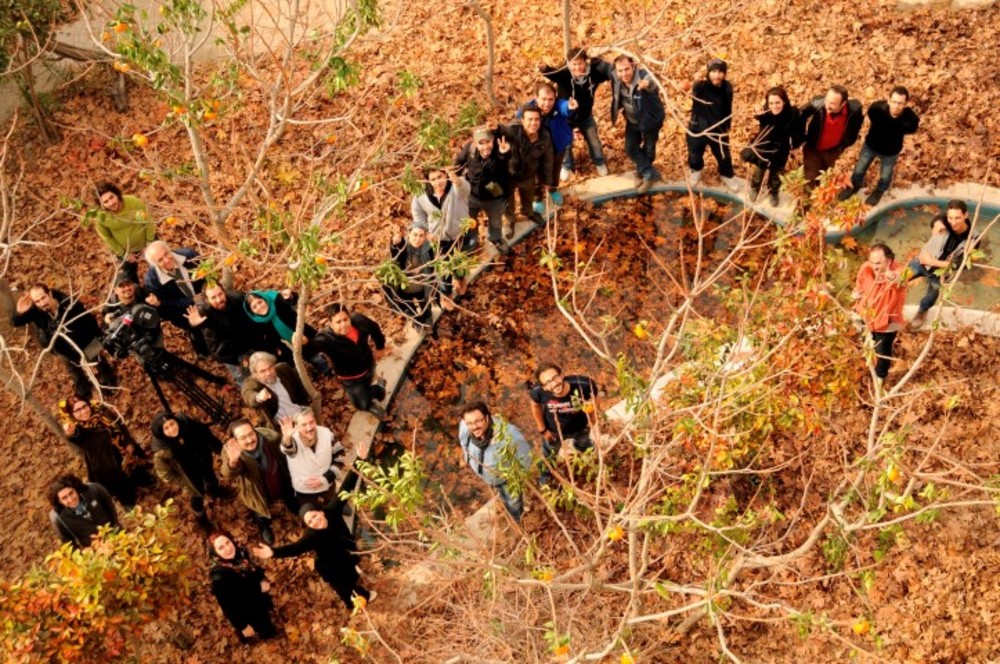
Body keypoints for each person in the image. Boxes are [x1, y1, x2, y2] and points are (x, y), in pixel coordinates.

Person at [254, 502, 372, 611]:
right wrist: (274, 552)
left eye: (314, 516)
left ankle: (354, 579)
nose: (314, 522)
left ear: (321, 512)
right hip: (330, 566)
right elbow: (295, 548)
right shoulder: (311, 536)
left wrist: (357, 477)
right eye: (310, 522)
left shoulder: (331, 511)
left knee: (351, 573)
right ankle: (355, 602)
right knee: (344, 587)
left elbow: (344, 488)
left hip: (342, 553)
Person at [12, 283, 117, 398]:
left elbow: (90, 322)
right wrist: (19, 311)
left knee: (97, 359)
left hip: (84, 339)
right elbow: (15, 323)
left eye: (43, 298)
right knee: (73, 370)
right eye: (37, 301)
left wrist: (99, 341)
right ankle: (84, 391)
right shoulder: (36, 310)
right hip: (60, 347)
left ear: (50, 293)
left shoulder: (70, 304)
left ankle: (109, 380)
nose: (42, 303)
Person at [57, 396, 152, 507]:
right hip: (108, 466)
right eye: (77, 410)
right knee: (125, 493)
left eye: (84, 406)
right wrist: (71, 432)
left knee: (143, 477)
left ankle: (145, 482)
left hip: (127, 453)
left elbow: (121, 426)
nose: (83, 412)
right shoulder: (80, 429)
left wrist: (128, 442)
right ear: (72, 414)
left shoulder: (103, 413)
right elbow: (75, 436)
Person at [539, 46, 613, 179]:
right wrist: (544, 68)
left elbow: (610, 72)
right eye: (574, 64)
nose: (577, 67)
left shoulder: (593, 74)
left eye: (580, 63)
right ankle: (567, 165)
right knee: (566, 144)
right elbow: (552, 73)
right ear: (569, 64)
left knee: (594, 141)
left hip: (585, 117)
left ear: (585, 62)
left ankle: (599, 162)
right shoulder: (565, 75)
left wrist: (599, 61)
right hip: (566, 118)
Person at [839, 86, 920, 206]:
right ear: (889, 100)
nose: (896, 106)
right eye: (894, 102)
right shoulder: (877, 109)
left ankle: (880, 190)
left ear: (906, 104)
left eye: (900, 103)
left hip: (891, 151)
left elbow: (911, 129)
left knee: (885, 174)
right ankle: (854, 185)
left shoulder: (911, 119)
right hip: (871, 146)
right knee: (860, 168)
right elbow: (871, 116)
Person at [221, 419, 296, 544]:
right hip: (257, 491)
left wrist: (287, 439)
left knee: (290, 497)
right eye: (243, 438)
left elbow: (286, 452)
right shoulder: (230, 451)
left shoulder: (270, 437)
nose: (250, 440)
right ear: (236, 440)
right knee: (260, 511)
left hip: (280, 480)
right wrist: (233, 462)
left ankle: (294, 506)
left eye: (251, 434)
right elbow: (227, 473)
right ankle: (264, 525)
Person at [458, 401, 533, 521]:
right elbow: (462, 440)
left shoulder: (509, 434)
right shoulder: (464, 426)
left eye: (478, 421)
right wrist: (467, 456)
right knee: (501, 492)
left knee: (513, 503)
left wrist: (517, 479)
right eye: (470, 423)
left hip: (507, 479)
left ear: (487, 417)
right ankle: (502, 495)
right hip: (487, 476)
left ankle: (517, 518)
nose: (474, 426)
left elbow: (525, 457)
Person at [151, 411, 227, 526]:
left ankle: (215, 491)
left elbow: (207, 436)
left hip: (203, 460)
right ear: (161, 432)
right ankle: (201, 519)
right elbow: (165, 474)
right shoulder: (162, 452)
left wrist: (222, 451)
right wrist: (183, 482)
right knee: (197, 496)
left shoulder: (188, 425)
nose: (171, 429)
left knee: (210, 476)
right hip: (189, 475)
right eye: (166, 428)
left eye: (172, 424)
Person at [312, 303, 388, 416]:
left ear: (349, 317)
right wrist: (304, 342)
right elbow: (314, 346)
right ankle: (377, 390)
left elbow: (374, 328)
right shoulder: (327, 338)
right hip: (351, 378)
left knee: (368, 382)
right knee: (360, 404)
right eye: (338, 322)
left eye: (345, 319)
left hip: (368, 364)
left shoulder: (359, 321)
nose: (344, 325)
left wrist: (380, 346)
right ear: (330, 324)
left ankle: (373, 388)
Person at [908, 201, 973, 330]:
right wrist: (937, 226)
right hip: (922, 261)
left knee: (931, 294)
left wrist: (933, 262)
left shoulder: (971, 238)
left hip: (940, 273)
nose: (953, 222)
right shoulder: (946, 220)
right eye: (951, 218)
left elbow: (960, 265)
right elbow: (937, 222)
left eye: (957, 218)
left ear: (966, 215)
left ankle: (923, 310)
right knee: (898, 278)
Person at [529, 363, 599, 480]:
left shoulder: (584, 385)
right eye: (548, 382)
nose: (554, 383)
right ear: (544, 387)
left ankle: (590, 468)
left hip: (581, 427)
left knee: (585, 446)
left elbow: (595, 398)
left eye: (555, 377)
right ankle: (545, 478)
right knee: (549, 456)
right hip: (554, 431)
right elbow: (535, 405)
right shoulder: (538, 392)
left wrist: (593, 419)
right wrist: (542, 429)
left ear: (562, 375)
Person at [411, 167, 472, 300]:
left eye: (440, 177)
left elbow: (465, 190)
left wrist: (456, 180)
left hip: (459, 234)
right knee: (443, 269)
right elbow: (418, 214)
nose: (438, 182)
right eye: (433, 179)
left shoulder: (456, 186)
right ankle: (446, 294)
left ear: (446, 175)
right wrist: (426, 231)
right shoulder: (421, 195)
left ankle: (460, 280)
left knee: (460, 262)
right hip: (438, 238)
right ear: (428, 181)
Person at [208, 531, 278, 643]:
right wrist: (242, 626)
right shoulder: (220, 577)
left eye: (227, 542)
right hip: (246, 609)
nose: (227, 548)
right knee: (263, 627)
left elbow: (249, 568)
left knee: (265, 613)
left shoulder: (240, 551)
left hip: (257, 597)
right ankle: (265, 637)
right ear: (216, 553)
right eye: (221, 548)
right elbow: (228, 606)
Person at [609, 55, 665, 194]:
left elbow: (653, 82)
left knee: (649, 149)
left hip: (650, 120)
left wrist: (646, 84)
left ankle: (644, 173)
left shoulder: (643, 76)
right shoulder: (616, 79)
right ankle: (649, 173)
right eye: (620, 70)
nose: (624, 74)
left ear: (633, 66)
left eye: (627, 69)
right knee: (630, 148)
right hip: (632, 121)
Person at [853, 244, 906, 385]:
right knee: (868, 344)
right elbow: (859, 286)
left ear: (888, 261)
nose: (875, 267)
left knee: (882, 351)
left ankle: (880, 379)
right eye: (872, 262)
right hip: (866, 317)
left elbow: (901, 281)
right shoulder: (866, 268)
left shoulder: (898, 272)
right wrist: (856, 294)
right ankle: (870, 366)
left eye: (878, 263)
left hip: (886, 322)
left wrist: (893, 278)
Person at [184, 284, 259, 385]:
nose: (219, 299)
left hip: (246, 344)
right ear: (207, 299)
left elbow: (251, 301)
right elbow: (199, 317)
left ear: (224, 292)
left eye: (220, 294)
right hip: (228, 353)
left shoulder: (235, 299)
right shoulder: (205, 310)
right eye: (213, 297)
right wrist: (193, 323)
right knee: (244, 379)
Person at [454, 126, 512, 254]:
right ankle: (472, 239)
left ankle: (495, 238)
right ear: (475, 143)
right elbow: (458, 164)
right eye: (481, 143)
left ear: (492, 140)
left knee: (496, 220)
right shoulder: (469, 149)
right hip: (473, 194)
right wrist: (456, 180)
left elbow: (505, 160)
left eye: (488, 142)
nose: (486, 147)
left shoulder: (500, 150)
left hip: (494, 194)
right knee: (470, 220)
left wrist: (505, 153)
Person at [740, 86, 802, 207]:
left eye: (777, 102)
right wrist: (757, 111)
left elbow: (797, 132)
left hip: (781, 148)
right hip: (764, 146)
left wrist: (795, 147)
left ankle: (773, 192)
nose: (774, 106)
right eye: (771, 103)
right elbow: (759, 116)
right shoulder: (766, 113)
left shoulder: (792, 114)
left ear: (784, 101)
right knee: (759, 170)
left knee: (776, 172)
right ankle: (755, 188)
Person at [244, 289, 328, 374]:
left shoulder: (277, 302)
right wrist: (275, 349)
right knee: (293, 364)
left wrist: (291, 296)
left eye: (260, 302)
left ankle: (326, 370)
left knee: (313, 356)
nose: (259, 307)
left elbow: (293, 301)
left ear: (265, 299)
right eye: (254, 307)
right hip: (285, 346)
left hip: (301, 335)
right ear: (252, 312)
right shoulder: (259, 321)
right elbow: (266, 338)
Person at [687, 59, 738, 192]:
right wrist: (696, 81)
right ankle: (696, 170)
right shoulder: (701, 86)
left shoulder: (727, 88)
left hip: (718, 128)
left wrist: (727, 127)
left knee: (724, 155)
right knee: (694, 154)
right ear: (708, 73)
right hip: (698, 127)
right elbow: (693, 89)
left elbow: (728, 109)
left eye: (720, 72)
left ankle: (727, 174)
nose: (717, 75)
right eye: (714, 71)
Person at [799, 85, 864, 190]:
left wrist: (848, 142)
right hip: (813, 148)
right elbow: (800, 114)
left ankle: (821, 196)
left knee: (825, 175)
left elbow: (857, 124)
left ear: (843, 104)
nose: (827, 105)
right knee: (810, 177)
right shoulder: (817, 104)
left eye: (832, 104)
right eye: (827, 100)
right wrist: (800, 138)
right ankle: (806, 202)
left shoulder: (854, 110)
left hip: (833, 150)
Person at [281, 407, 348, 508]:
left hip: (327, 485)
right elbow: (288, 449)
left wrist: (327, 478)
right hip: (305, 491)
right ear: (297, 426)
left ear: (315, 420)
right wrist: (287, 437)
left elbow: (340, 456)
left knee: (334, 507)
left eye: (311, 422)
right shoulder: (292, 440)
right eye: (304, 425)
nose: (309, 428)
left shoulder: (326, 433)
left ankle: (338, 506)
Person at [501, 106, 554, 230]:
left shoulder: (544, 137)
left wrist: (547, 181)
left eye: (536, 119)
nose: (533, 123)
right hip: (508, 175)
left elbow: (547, 161)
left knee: (528, 198)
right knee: (508, 202)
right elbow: (501, 130)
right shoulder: (513, 131)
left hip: (528, 175)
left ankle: (528, 212)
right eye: (530, 119)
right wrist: (494, 128)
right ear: (522, 121)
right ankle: (510, 220)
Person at [517, 82, 576, 191]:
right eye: (543, 99)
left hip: (558, 146)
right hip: (537, 147)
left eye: (550, 99)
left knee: (555, 170)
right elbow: (517, 123)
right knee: (536, 173)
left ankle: (553, 189)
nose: (547, 103)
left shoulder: (558, 105)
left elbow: (564, 107)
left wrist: (569, 107)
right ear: (536, 98)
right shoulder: (527, 110)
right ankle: (537, 196)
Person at [93, 182, 155, 283]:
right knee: (127, 278)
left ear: (117, 194)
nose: (111, 203)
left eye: (111, 197)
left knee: (159, 264)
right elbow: (107, 237)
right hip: (125, 250)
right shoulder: (101, 216)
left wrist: (149, 243)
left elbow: (146, 222)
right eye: (105, 202)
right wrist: (124, 254)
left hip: (146, 242)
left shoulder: (133, 203)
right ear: (101, 205)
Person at [383, 222, 439, 330]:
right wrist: (394, 245)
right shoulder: (403, 247)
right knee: (411, 309)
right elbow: (396, 257)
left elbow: (432, 268)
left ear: (425, 236)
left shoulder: (428, 249)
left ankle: (428, 325)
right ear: (409, 234)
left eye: (421, 236)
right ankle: (416, 322)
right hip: (406, 289)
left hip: (422, 287)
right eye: (415, 235)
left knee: (426, 310)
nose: (417, 239)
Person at [241, 351, 311, 430]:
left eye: (270, 367)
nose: (268, 373)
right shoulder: (251, 384)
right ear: (255, 374)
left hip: (302, 414)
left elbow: (300, 389)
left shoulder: (284, 369)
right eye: (263, 371)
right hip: (285, 427)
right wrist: (258, 397)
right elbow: (249, 396)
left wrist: (306, 406)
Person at [48, 474, 119, 549]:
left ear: (76, 489)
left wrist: (116, 527)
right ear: (59, 501)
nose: (70, 499)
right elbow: (69, 544)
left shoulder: (94, 490)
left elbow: (110, 508)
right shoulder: (59, 518)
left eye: (71, 493)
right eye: (64, 498)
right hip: (96, 552)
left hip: (117, 536)